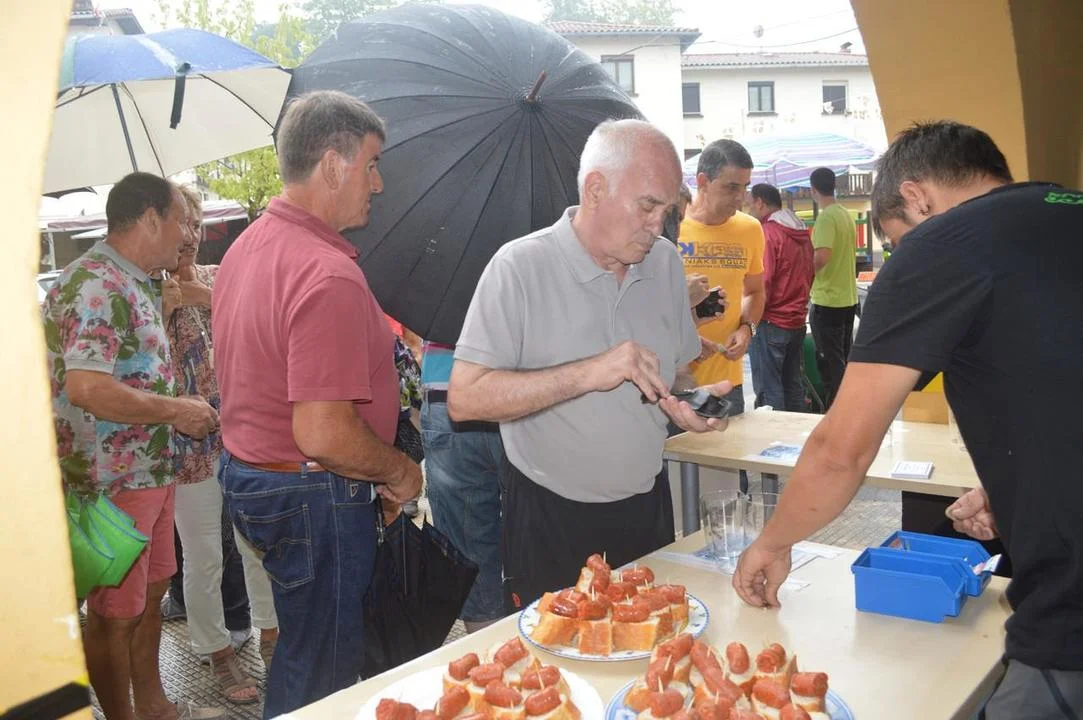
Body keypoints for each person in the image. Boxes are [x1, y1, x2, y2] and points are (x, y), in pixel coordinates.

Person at [732, 121, 1083, 718]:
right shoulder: (1060, 216)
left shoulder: (946, 242)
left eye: (897, 241)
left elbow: (842, 449)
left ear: (917, 198)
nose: (901, 255)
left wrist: (773, 541)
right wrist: (1019, 487)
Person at [447, 119, 730, 610]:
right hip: (549, 516)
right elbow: (465, 398)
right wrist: (590, 372)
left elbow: (677, 369)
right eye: (647, 206)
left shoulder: (665, 263)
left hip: (646, 506)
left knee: (649, 646)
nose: (658, 226)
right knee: (556, 658)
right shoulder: (519, 267)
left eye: (667, 210)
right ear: (596, 189)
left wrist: (683, 404)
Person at [212, 91, 422, 717]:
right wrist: (397, 470)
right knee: (322, 671)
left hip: (258, 477)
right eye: (371, 164)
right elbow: (324, 433)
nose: (377, 183)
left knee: (305, 648)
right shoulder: (325, 271)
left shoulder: (248, 245)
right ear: (333, 165)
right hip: (312, 491)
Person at [42, 172, 221, 720]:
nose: (187, 235)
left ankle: (154, 707)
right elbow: (87, 387)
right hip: (110, 480)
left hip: (151, 470)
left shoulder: (136, 280)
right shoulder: (94, 283)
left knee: (151, 595)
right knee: (114, 614)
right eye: (180, 221)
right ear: (149, 219)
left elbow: (132, 370)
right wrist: (177, 410)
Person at [164, 185, 277, 705]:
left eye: (195, 223)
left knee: (255, 542)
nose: (189, 235)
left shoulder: (218, 277)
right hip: (187, 444)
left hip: (243, 430)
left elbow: (259, 323)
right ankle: (216, 649)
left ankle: (272, 633)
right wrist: (164, 309)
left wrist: (202, 298)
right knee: (204, 554)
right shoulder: (146, 294)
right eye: (180, 223)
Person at [420, 340, 507, 632]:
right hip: (524, 386)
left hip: (447, 387)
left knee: (470, 552)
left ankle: (490, 655)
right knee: (541, 537)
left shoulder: (437, 311)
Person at [679, 139, 766, 419]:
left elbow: (755, 292)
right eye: (731, 187)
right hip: (675, 382)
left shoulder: (750, 229)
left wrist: (747, 330)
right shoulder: (672, 227)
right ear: (702, 182)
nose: (741, 197)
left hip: (728, 384)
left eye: (745, 187)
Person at [747, 183, 813, 412]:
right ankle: (798, 433)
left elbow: (763, 282)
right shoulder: (801, 232)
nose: (749, 209)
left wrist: (748, 318)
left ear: (759, 202)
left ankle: (772, 434)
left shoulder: (768, 233)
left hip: (770, 320)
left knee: (769, 390)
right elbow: (811, 272)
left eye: (750, 204)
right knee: (793, 386)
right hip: (796, 319)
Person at [807, 167, 857, 410]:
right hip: (848, 298)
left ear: (813, 190)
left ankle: (836, 413)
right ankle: (846, 409)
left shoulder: (826, 217)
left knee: (830, 364)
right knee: (842, 360)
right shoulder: (845, 215)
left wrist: (804, 274)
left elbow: (822, 256)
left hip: (827, 300)